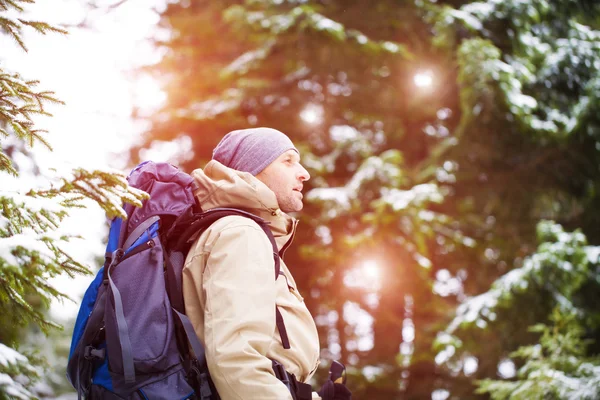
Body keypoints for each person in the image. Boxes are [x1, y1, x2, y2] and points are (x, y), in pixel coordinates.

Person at [182, 127, 351, 400]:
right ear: (252, 170)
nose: (304, 172)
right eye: (287, 161)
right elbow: (238, 363)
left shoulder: (240, 233)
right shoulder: (240, 233)